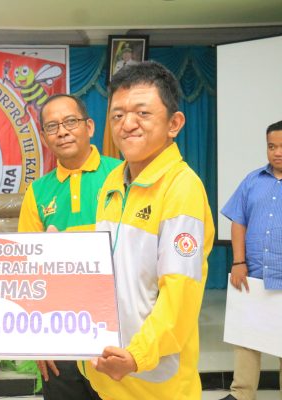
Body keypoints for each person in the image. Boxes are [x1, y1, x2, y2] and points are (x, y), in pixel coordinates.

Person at [84, 61, 215, 399]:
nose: (127, 124)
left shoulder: (181, 188)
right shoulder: (114, 181)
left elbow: (180, 294)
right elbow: (112, 256)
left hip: (152, 380)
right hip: (109, 372)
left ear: (174, 124)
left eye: (142, 113)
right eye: (117, 115)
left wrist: (138, 356)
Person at [18, 94, 121, 400]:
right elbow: (27, 270)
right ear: (44, 138)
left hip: (117, 325)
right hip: (59, 330)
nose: (62, 131)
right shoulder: (38, 191)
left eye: (70, 122)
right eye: (52, 126)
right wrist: (38, 340)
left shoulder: (123, 175)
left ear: (89, 126)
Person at [219, 120, 282, 400]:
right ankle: (242, 394)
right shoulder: (252, 180)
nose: (277, 152)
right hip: (253, 275)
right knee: (246, 337)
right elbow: (238, 221)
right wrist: (238, 262)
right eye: (271, 146)